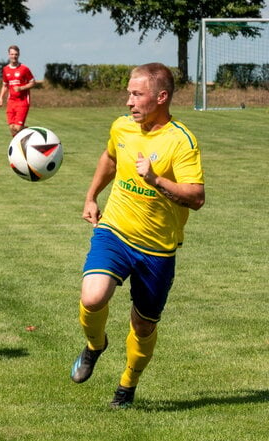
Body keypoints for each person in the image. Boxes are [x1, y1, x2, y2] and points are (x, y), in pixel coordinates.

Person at [69, 63, 205, 408]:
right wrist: (91, 196)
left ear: (161, 97)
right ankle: (95, 345)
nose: (128, 102)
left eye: (136, 94)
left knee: (143, 326)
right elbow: (111, 158)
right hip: (116, 231)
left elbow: (196, 196)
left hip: (157, 249)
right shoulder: (122, 127)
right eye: (129, 93)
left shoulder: (182, 141)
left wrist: (157, 180)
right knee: (92, 297)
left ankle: (127, 386)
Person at [0, 45, 35, 137]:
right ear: (9, 55)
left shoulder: (24, 69)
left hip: (23, 101)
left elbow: (33, 82)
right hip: (11, 101)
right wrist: (0, 98)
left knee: (17, 128)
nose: (14, 56)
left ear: (19, 55)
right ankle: (23, 138)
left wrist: (21, 88)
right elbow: (5, 85)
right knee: (12, 128)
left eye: (16, 54)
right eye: (12, 54)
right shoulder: (5, 69)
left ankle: (27, 132)